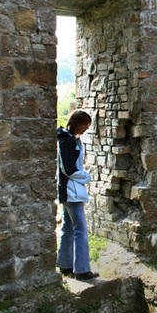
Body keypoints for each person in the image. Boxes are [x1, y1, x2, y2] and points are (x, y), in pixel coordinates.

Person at [56, 109, 99, 281]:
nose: (87, 128)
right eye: (84, 124)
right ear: (75, 123)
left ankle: (65, 265)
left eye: (88, 124)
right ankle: (81, 270)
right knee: (80, 229)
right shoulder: (66, 141)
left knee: (68, 227)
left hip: (70, 190)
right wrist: (86, 177)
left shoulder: (71, 140)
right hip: (71, 191)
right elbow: (68, 169)